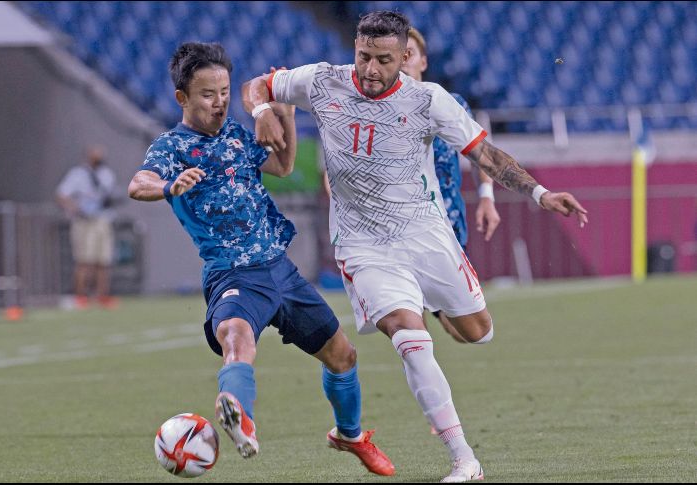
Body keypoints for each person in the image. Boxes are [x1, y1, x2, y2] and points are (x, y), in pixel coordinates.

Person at [243, 11, 588, 482]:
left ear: (405, 57)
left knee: (477, 332)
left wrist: (539, 193)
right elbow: (258, 84)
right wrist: (262, 110)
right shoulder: (323, 81)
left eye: (382, 60)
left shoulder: (428, 101)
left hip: (426, 235)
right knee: (410, 338)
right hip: (365, 245)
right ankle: (465, 459)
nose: (369, 69)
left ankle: (435, 305)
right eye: (363, 56)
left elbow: (485, 154)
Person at [128, 42, 394, 476]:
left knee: (343, 356)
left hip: (281, 270)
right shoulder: (171, 147)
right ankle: (238, 413)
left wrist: (285, 113)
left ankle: (350, 435)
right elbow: (138, 183)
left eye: (224, 92)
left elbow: (284, 166)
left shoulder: (236, 134)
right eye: (207, 95)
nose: (219, 103)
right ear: (182, 98)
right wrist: (168, 186)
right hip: (232, 273)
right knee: (236, 338)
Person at [401, 26, 501, 344]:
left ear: (423, 61)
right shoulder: (376, 111)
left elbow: (479, 151)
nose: (403, 62)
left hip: (448, 227)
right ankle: (424, 378)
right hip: (399, 228)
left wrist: (487, 196)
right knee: (409, 322)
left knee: (462, 332)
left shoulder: (448, 102)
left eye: (409, 54)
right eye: (396, 55)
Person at [56, 146, 119, 309]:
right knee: (85, 260)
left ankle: (102, 295)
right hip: (84, 221)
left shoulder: (106, 174)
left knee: (103, 260)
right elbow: (62, 195)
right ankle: (81, 296)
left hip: (102, 219)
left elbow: (108, 196)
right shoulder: (77, 174)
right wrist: (76, 209)